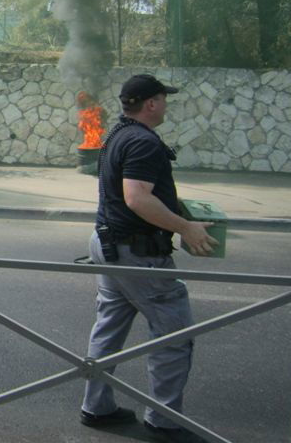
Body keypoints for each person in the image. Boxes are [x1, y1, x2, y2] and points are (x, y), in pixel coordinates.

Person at [79, 74, 216, 443]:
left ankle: (97, 406)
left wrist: (174, 209)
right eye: (163, 98)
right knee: (174, 333)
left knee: (109, 327)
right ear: (151, 104)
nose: (166, 104)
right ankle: (164, 419)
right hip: (137, 252)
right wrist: (185, 227)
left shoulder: (117, 134)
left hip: (107, 243)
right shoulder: (142, 142)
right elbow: (137, 198)